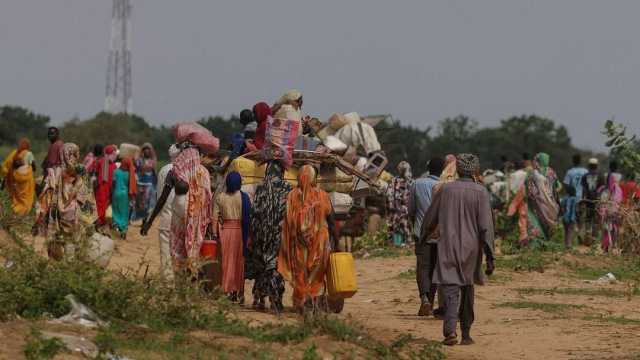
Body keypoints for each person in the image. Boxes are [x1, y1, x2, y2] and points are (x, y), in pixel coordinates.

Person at [422, 153, 495, 346]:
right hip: (471, 249)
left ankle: (450, 330)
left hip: (447, 245)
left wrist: (423, 236)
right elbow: (486, 226)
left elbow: (431, 218)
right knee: (467, 288)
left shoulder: (445, 190)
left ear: (458, 169)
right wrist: (490, 256)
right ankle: (466, 333)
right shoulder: (481, 192)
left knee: (450, 289)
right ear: (475, 170)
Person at [142, 145, 212, 277]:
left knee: (168, 260)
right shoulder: (203, 172)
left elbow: (161, 198)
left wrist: (150, 221)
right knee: (188, 259)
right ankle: (184, 289)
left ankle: (170, 289)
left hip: (168, 221)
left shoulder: (169, 171)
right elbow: (207, 200)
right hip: (193, 225)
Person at [279, 165, 338, 314]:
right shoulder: (323, 196)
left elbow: (286, 221)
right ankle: (312, 300)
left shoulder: (292, 196)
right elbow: (331, 221)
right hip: (319, 243)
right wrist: (335, 242)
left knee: (300, 272)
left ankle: (301, 301)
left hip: (299, 244)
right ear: (314, 178)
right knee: (317, 272)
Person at [34, 143, 95, 260]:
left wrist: (42, 214)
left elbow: (45, 194)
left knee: (55, 239)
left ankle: (55, 265)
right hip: (73, 215)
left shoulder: (53, 172)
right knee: (71, 241)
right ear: (75, 154)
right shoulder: (81, 170)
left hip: (55, 213)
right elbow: (86, 196)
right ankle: (68, 267)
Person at [249, 160, 292, 313]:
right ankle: (276, 299)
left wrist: (253, 233)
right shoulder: (288, 188)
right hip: (279, 235)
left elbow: (255, 212)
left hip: (262, 234)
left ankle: (259, 298)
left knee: (261, 266)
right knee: (276, 266)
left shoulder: (261, 187)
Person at [409, 156, 444, 317]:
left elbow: (411, 210)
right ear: (442, 169)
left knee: (423, 267)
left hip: (421, 233)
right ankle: (430, 299)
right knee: (436, 267)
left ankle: (424, 299)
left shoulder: (416, 183)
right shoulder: (444, 186)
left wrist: (415, 225)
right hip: (440, 234)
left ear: (428, 168)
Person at [508, 153, 561, 248]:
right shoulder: (552, 172)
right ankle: (547, 240)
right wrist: (550, 195)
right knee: (548, 225)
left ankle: (535, 242)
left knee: (534, 220)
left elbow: (526, 187)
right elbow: (559, 186)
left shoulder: (533, 173)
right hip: (551, 204)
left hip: (537, 204)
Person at [213, 171, 251, 303]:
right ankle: (237, 292)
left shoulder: (220, 197)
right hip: (239, 233)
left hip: (225, 232)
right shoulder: (244, 197)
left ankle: (227, 290)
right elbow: (248, 219)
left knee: (226, 263)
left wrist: (214, 234)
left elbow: (215, 218)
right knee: (238, 263)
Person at [155, 145, 180, 280]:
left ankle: (168, 283)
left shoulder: (164, 170)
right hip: (181, 219)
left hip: (165, 217)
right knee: (180, 254)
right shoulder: (186, 170)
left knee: (166, 254)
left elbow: (160, 197)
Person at [1, 138, 36, 215]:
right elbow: (34, 167)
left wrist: (6, 178)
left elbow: (9, 166)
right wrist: (29, 169)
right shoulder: (29, 154)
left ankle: (16, 210)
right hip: (26, 180)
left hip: (16, 179)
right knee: (26, 197)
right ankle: (23, 212)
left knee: (18, 197)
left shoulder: (14, 153)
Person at [386, 161, 414, 246]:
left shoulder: (410, 181)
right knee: (398, 226)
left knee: (404, 226)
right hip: (397, 209)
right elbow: (390, 194)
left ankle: (405, 242)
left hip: (404, 209)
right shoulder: (394, 181)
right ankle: (399, 243)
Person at [600, 163, 623, 253]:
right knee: (612, 227)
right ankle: (610, 245)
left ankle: (607, 246)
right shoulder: (617, 188)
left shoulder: (605, 190)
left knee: (608, 228)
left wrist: (603, 211)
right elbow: (618, 201)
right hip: (614, 209)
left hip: (610, 210)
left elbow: (603, 202)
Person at [111, 157, 137, 239]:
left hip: (116, 193)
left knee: (116, 210)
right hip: (125, 195)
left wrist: (111, 193)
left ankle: (117, 224)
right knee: (124, 212)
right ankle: (124, 230)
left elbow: (113, 183)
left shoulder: (115, 172)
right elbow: (131, 186)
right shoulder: (130, 174)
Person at [580, 158, 604, 243]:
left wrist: (583, 199)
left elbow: (583, 189)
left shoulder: (584, 176)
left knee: (588, 218)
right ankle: (593, 239)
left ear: (589, 166)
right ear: (596, 166)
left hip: (588, 200)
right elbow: (602, 189)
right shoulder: (601, 176)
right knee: (596, 220)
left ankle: (587, 236)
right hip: (597, 200)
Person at [94, 145, 117, 227]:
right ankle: (99, 221)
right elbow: (96, 173)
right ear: (109, 153)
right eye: (113, 154)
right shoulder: (101, 162)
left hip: (108, 188)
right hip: (102, 187)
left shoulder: (113, 165)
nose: (115, 156)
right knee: (101, 204)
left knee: (104, 204)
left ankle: (101, 221)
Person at [134, 143, 157, 222]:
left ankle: (145, 219)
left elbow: (154, 171)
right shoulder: (139, 160)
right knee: (139, 202)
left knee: (147, 202)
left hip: (149, 183)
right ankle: (139, 218)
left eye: (148, 150)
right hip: (140, 182)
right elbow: (136, 166)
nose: (146, 152)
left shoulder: (153, 160)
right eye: (145, 150)